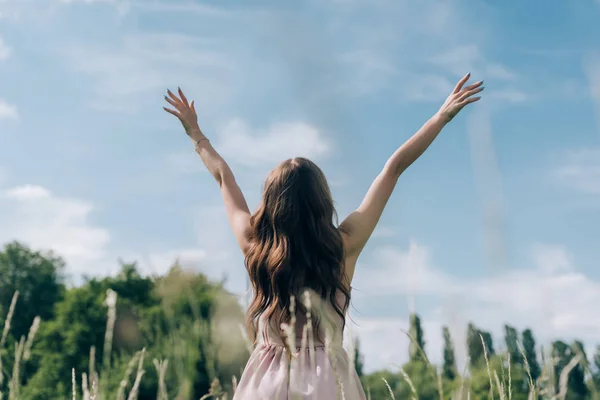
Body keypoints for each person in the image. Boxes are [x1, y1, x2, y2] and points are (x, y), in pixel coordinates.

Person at [163, 72, 483, 399]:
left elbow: (222, 177)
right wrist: (441, 117)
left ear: (272, 203)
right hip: (328, 382)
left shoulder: (254, 244)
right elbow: (394, 168)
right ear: (322, 201)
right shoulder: (343, 246)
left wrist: (195, 132)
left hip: (265, 384)